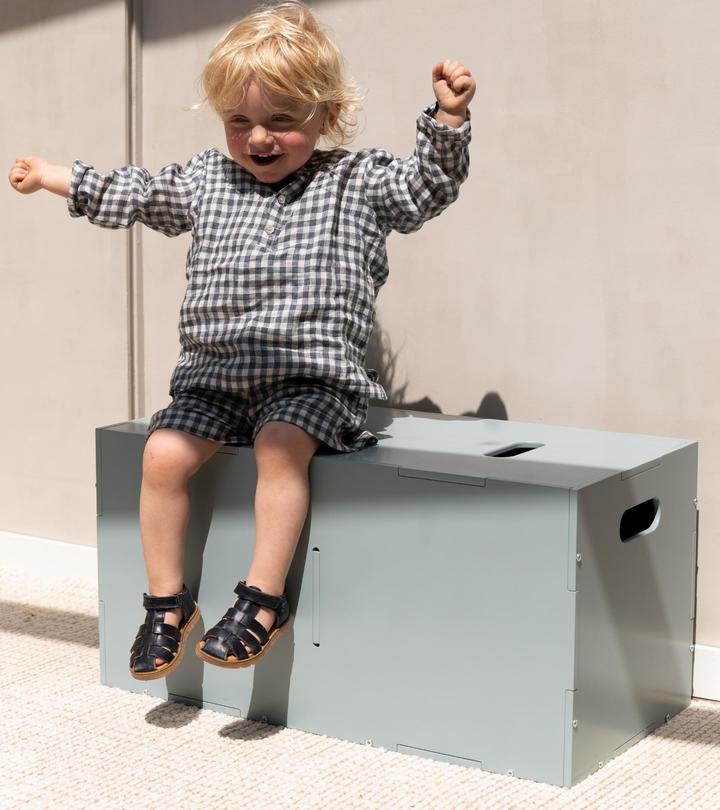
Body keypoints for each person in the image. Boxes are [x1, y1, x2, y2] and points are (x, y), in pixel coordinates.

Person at [8, 0, 474, 679]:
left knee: (279, 446)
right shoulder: (208, 179)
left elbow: (425, 188)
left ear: (327, 114)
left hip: (310, 381)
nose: (259, 138)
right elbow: (138, 193)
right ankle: (167, 604)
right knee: (162, 455)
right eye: (239, 122)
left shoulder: (357, 181)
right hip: (215, 378)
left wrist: (448, 119)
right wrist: (57, 177)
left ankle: (262, 599)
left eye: (282, 121)